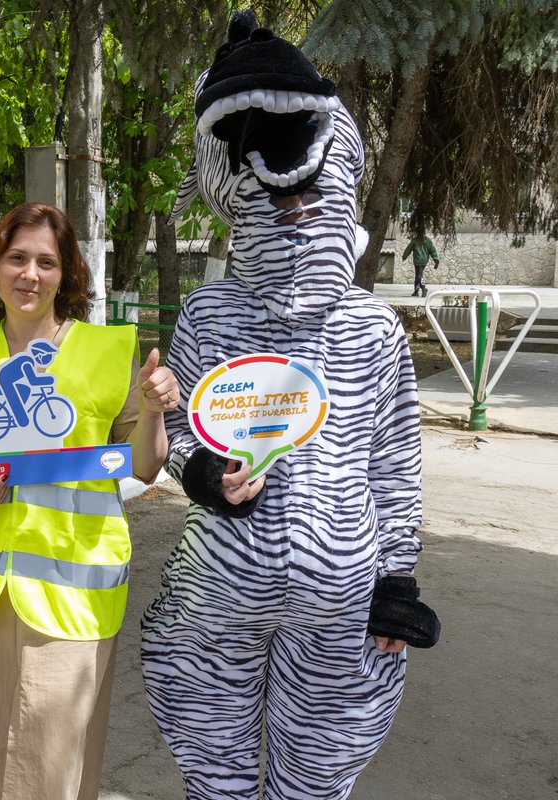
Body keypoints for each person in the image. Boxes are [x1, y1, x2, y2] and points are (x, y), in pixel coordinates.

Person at [140, 12, 439, 800]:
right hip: (219, 595)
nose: (291, 208)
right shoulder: (210, 315)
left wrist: (397, 583)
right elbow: (177, 430)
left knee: (316, 779)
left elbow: (394, 465)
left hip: (341, 601)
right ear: (231, 195)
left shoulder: (373, 328)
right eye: (268, 199)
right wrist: (203, 474)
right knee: (216, 771)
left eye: (309, 195)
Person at [0, 201, 180, 800]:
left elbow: (144, 463)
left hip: (73, 591)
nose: (29, 274)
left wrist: (154, 407)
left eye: (46, 261)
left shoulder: (108, 351)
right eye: (17, 258)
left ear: (66, 276)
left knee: (53, 760)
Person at [402, 230, 440, 297]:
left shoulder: (415, 240)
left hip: (418, 260)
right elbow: (432, 250)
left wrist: (404, 256)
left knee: (419, 275)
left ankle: (423, 288)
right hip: (424, 260)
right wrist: (435, 259)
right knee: (418, 275)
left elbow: (409, 249)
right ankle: (416, 291)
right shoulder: (428, 241)